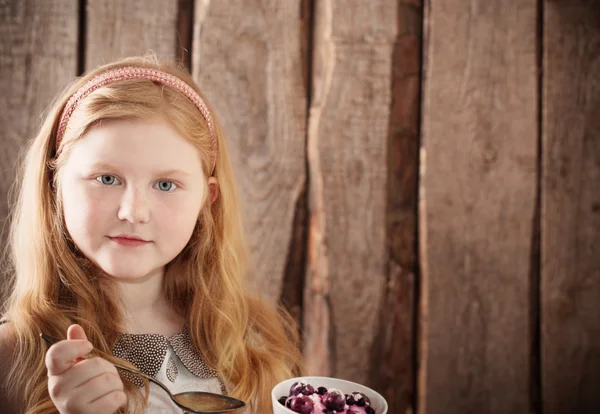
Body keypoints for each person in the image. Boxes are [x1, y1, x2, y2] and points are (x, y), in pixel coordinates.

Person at [0, 54, 304, 414]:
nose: (133, 212)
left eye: (165, 184)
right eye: (107, 178)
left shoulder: (254, 338)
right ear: (56, 185)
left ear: (205, 201)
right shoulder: (12, 355)